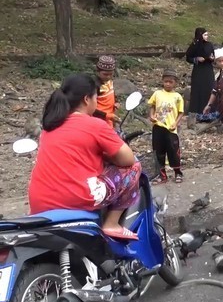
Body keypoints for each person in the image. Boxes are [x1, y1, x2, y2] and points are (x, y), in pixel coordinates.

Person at [28, 74, 141, 240]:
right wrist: (108, 157)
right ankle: (112, 223)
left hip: (39, 201)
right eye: (96, 97)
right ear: (87, 99)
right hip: (75, 199)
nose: (97, 102)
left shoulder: (49, 126)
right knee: (135, 166)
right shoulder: (95, 124)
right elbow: (127, 159)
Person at [148, 69, 185, 184]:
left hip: (171, 129)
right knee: (158, 151)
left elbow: (181, 112)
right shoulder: (157, 94)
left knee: (173, 151)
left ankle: (178, 173)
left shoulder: (177, 97)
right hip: (158, 127)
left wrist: (176, 123)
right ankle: (162, 175)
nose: (168, 84)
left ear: (175, 83)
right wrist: (151, 115)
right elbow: (152, 106)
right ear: (162, 82)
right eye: (166, 82)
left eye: (170, 82)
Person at [185, 27, 215, 126]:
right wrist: (196, 59)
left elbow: (212, 56)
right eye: (205, 35)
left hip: (208, 70)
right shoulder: (194, 45)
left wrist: (211, 58)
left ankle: (209, 115)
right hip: (198, 71)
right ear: (200, 35)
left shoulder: (209, 44)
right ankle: (197, 115)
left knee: (209, 89)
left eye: (207, 35)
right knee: (198, 91)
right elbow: (188, 57)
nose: (207, 36)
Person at [92, 55, 120, 128]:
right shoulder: (94, 85)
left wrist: (116, 101)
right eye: (105, 74)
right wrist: (106, 115)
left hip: (110, 118)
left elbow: (112, 93)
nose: (108, 77)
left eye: (111, 74)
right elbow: (91, 107)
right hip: (99, 119)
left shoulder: (109, 81)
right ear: (98, 72)